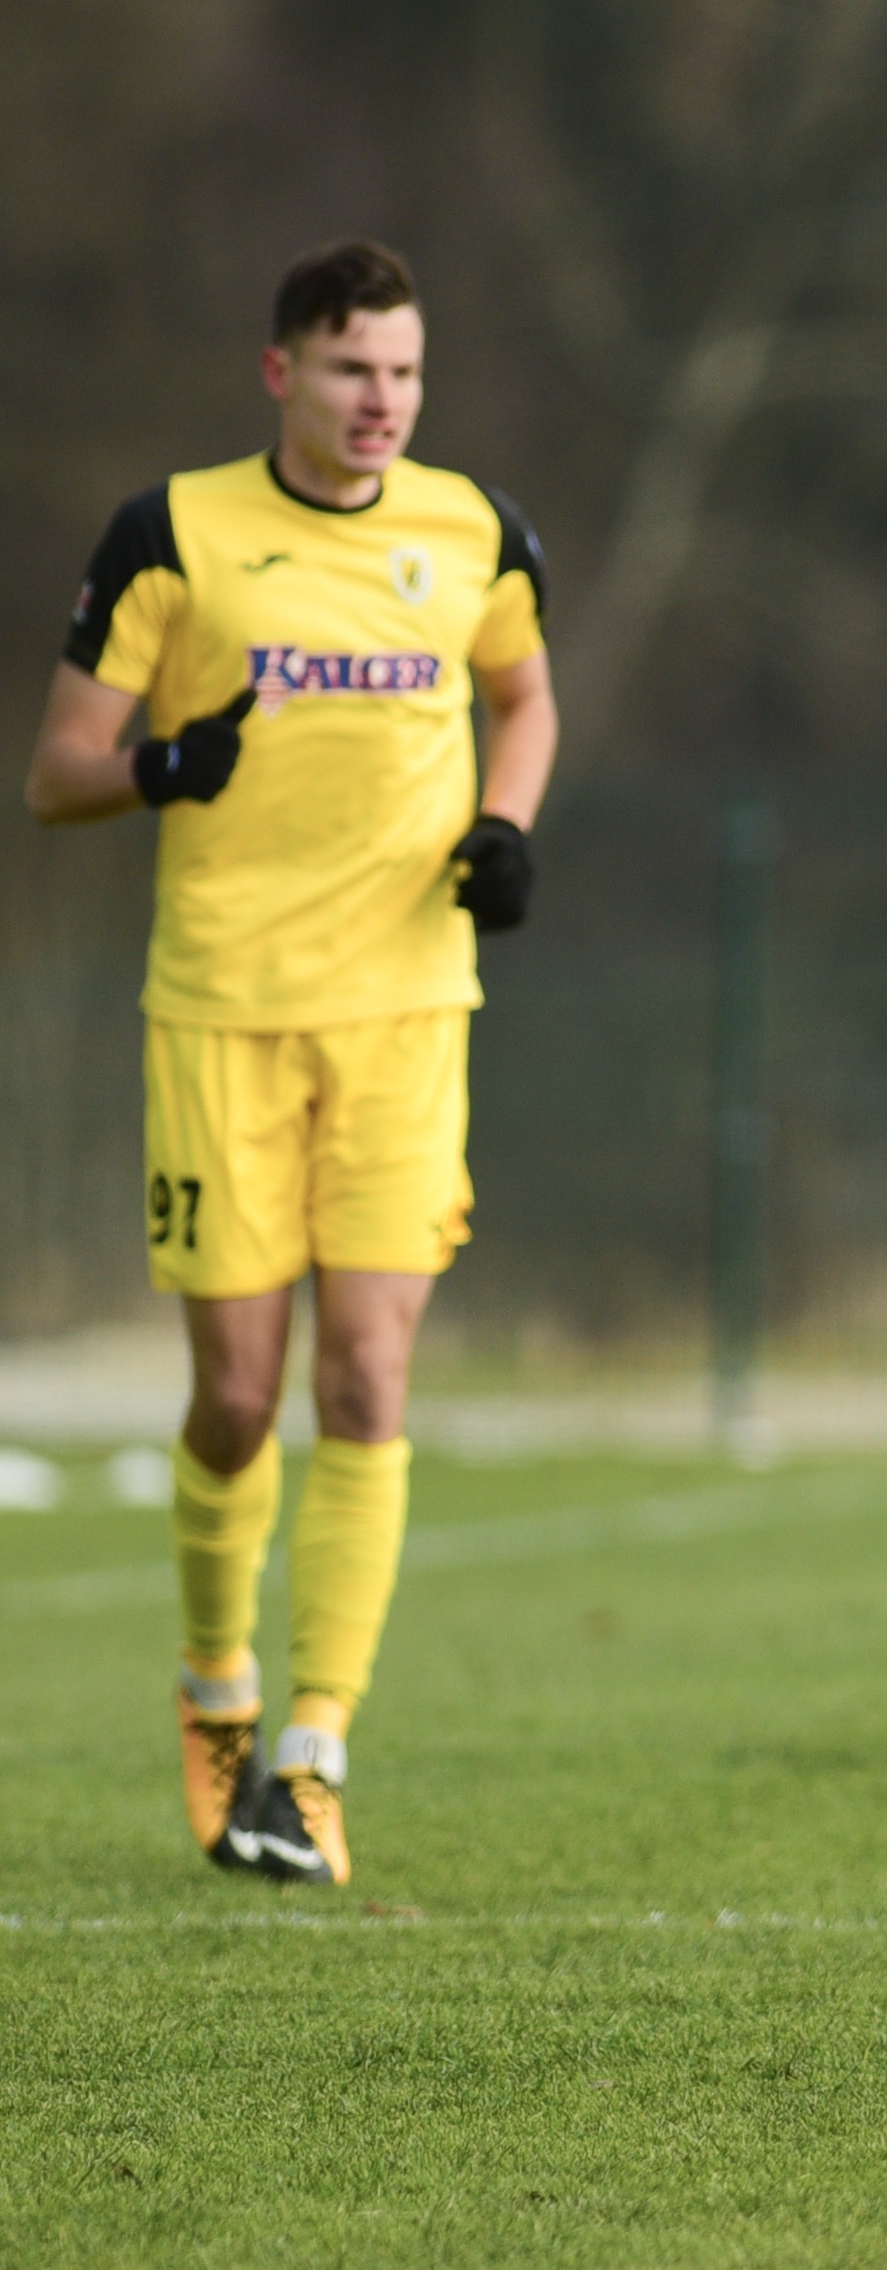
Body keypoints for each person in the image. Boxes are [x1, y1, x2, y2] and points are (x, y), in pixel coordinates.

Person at [23, 239, 558, 1887]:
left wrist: (503, 826)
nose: (380, 400)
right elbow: (55, 773)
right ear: (281, 374)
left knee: (369, 1379)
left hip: (407, 1014)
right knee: (241, 1397)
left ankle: (314, 1752)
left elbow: (526, 695)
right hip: (223, 1016)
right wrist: (163, 766)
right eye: (349, 370)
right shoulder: (172, 534)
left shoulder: (473, 531)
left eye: (402, 371)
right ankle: (217, 1689)